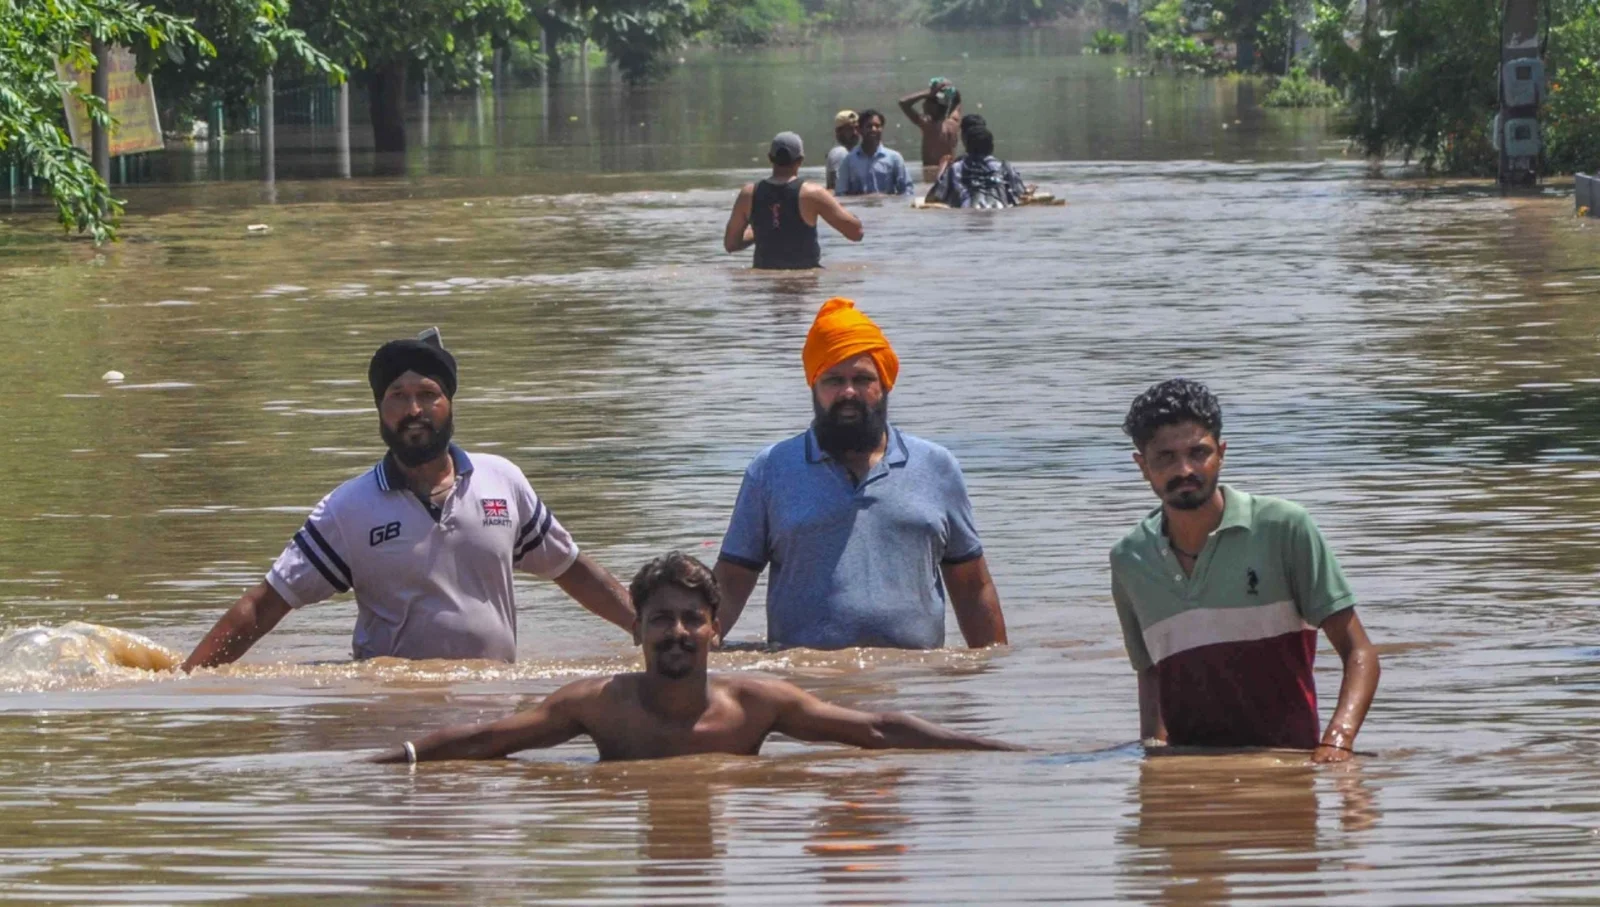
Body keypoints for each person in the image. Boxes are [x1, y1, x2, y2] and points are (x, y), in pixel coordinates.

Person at [181, 334, 635, 669]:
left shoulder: (502, 482)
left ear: (450, 403)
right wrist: (185, 681)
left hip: (492, 705)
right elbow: (266, 604)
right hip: (390, 708)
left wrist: (647, 628)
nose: (414, 410)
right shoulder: (349, 508)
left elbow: (572, 568)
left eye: (427, 395)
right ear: (379, 410)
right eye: (398, 396)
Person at [371, 552, 1019, 763]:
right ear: (637, 630)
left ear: (715, 629)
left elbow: (876, 728)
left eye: (691, 619)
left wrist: (995, 750)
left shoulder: (755, 704)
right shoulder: (599, 705)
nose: (676, 632)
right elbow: (488, 739)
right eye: (659, 619)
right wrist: (389, 761)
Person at [712, 298, 1008, 650]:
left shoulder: (937, 467)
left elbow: (972, 586)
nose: (848, 392)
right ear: (814, 385)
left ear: (885, 384)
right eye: (834, 380)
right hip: (807, 682)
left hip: (917, 679)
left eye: (863, 379)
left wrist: (997, 673)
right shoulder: (771, 470)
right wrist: (692, 652)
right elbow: (731, 582)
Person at [1110, 379, 1380, 763]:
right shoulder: (1130, 559)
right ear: (1142, 466)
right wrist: (1155, 762)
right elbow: (1150, 673)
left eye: (1198, 453)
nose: (1185, 469)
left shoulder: (1284, 528)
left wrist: (1337, 742)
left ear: (1221, 453)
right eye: (1165, 457)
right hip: (1187, 775)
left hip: (1286, 767)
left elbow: (1359, 652)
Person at [724, 132, 864, 271]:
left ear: (770, 158)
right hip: (804, 280)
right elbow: (856, 233)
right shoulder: (812, 193)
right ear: (801, 160)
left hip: (764, 282)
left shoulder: (749, 194)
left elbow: (730, 244)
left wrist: (760, 232)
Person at [926, 123, 1027, 209]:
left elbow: (933, 198)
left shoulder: (956, 168)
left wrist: (942, 170)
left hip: (969, 207)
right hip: (999, 209)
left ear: (967, 147)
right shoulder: (1004, 167)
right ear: (991, 147)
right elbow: (1022, 195)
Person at [835, 110, 914, 197]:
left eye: (877, 126)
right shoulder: (849, 160)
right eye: (869, 126)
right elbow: (840, 194)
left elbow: (907, 191)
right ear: (859, 130)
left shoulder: (894, 158)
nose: (874, 129)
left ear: (882, 129)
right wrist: (863, 199)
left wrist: (889, 199)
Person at [898, 77, 963, 181]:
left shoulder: (928, 125)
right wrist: (950, 90)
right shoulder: (954, 122)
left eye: (927, 102)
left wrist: (928, 93)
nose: (923, 105)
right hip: (951, 174)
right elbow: (957, 100)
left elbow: (903, 103)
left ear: (934, 106)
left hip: (932, 175)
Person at [825, 110, 859, 192]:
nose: (855, 133)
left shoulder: (850, 153)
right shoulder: (840, 152)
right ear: (838, 131)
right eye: (850, 129)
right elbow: (837, 188)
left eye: (857, 128)